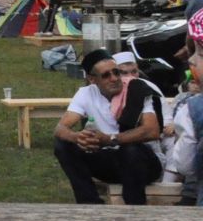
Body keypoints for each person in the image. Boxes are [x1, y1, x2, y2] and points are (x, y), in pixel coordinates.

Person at [53, 49, 162, 204]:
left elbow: (152, 131)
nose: (114, 78)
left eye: (116, 72)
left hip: (143, 164)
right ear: (92, 79)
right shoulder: (86, 93)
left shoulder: (136, 89)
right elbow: (59, 129)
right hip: (110, 161)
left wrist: (110, 139)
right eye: (106, 75)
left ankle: (136, 209)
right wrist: (77, 137)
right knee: (63, 145)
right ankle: (90, 204)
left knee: (131, 150)